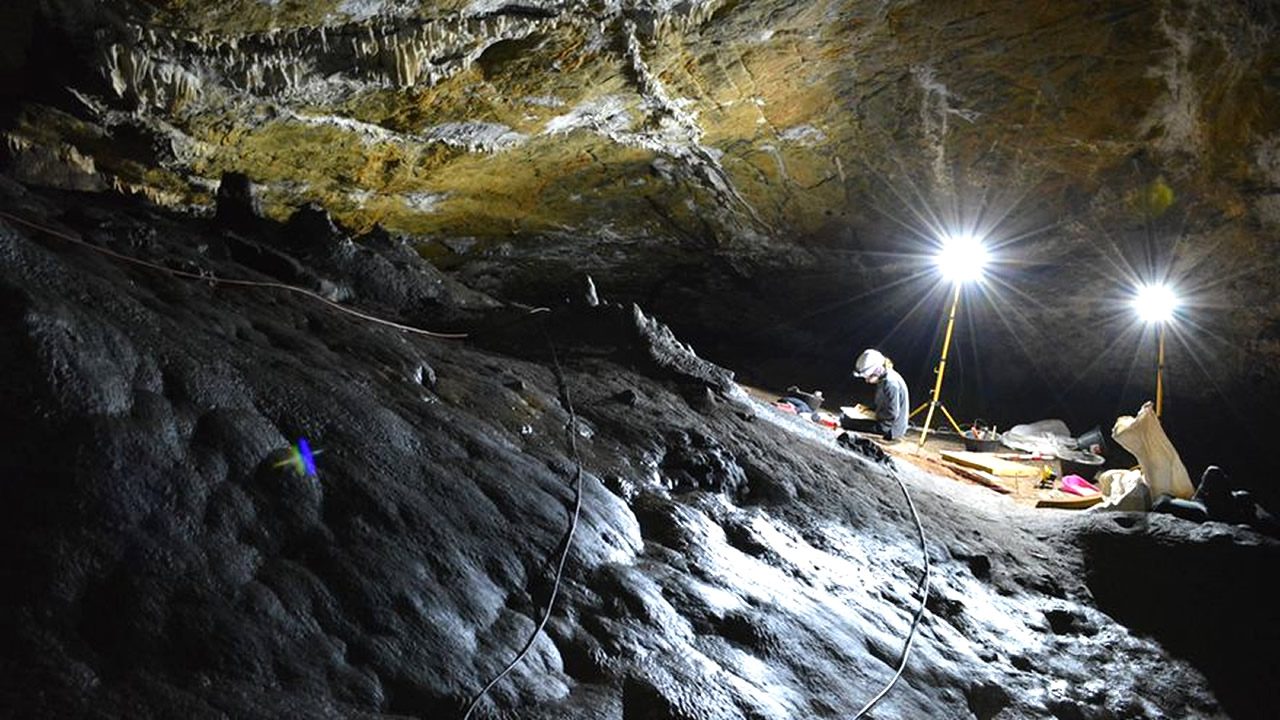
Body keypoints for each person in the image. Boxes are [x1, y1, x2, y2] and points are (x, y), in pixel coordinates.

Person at [850, 348, 909, 442]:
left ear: (877, 371)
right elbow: (884, 404)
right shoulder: (884, 378)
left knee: (847, 422)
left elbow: (892, 414)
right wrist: (867, 409)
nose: (867, 381)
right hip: (885, 422)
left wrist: (873, 415)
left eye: (868, 377)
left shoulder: (890, 383)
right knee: (846, 418)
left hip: (890, 429)